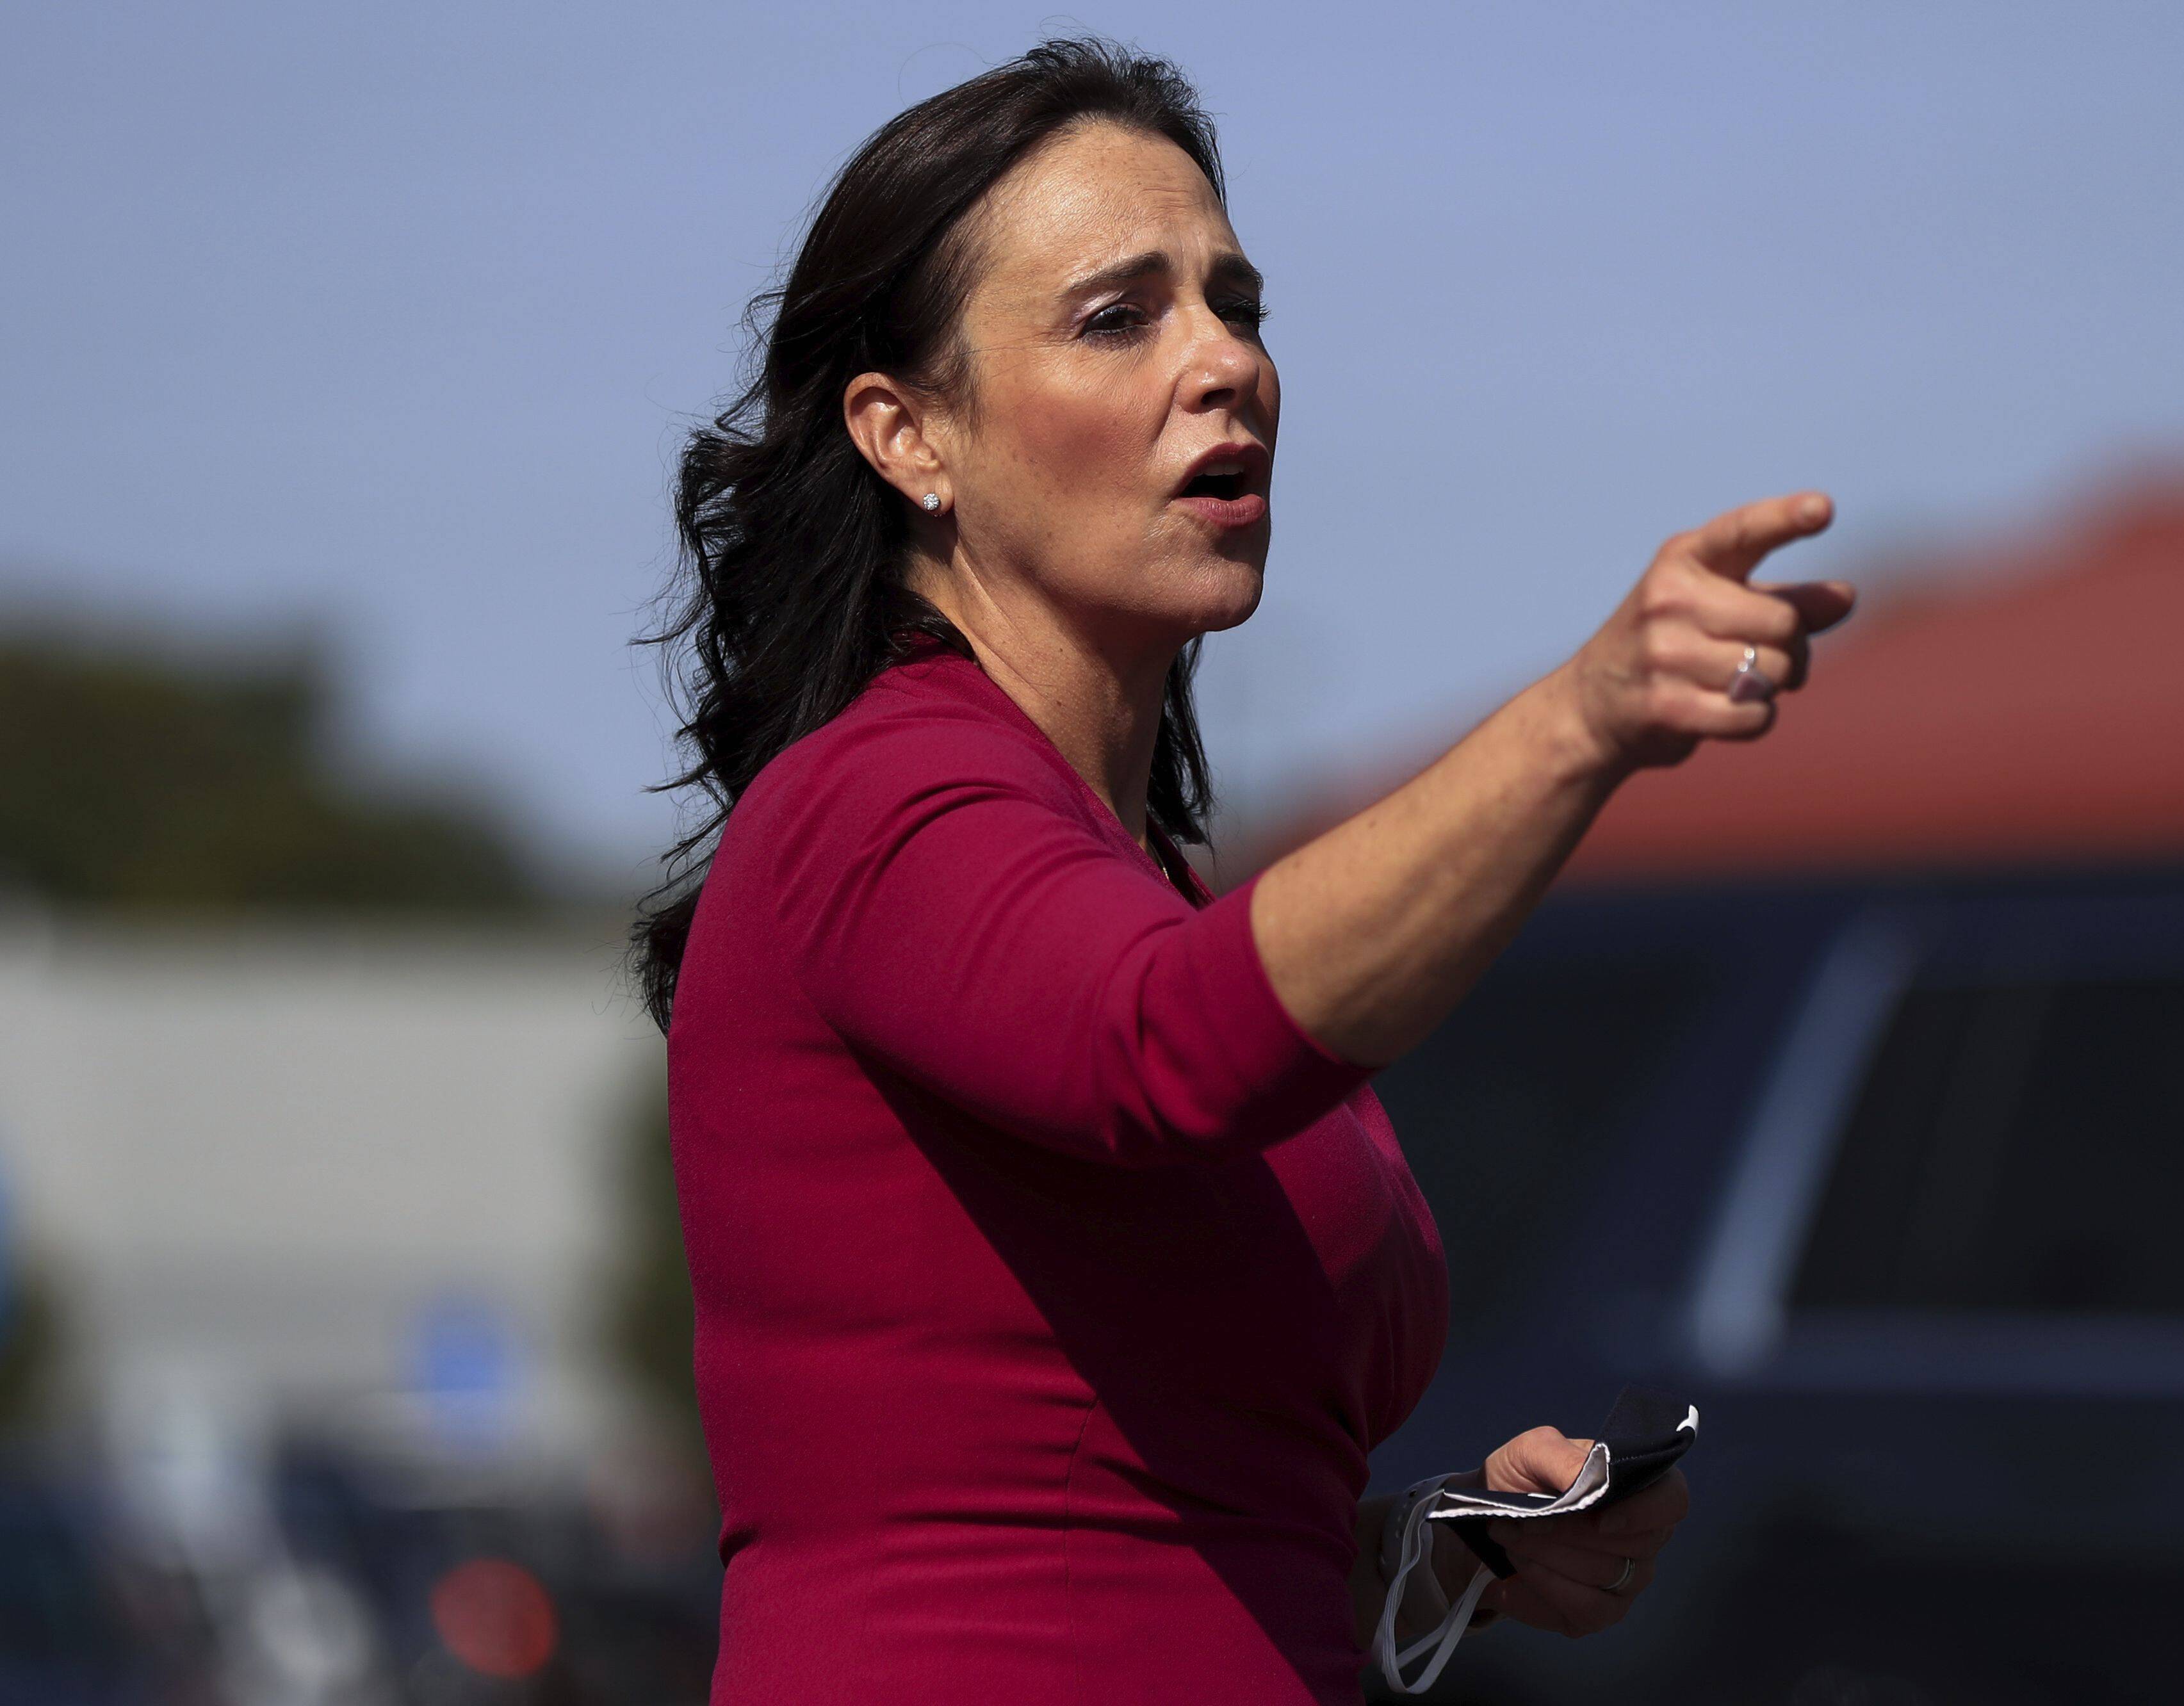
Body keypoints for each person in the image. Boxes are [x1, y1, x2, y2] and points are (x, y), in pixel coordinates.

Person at [635, 36, 1854, 1705]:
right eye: (1118, 316)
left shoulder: (1140, 890)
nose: (1224, 364)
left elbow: (1173, 1534)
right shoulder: (865, 804)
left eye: (1238, 305)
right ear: (908, 436)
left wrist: (1438, 1553)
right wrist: (1581, 719)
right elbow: (1163, 1046)